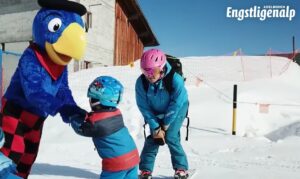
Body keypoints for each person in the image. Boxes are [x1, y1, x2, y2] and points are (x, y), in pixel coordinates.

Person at [70, 76, 140, 179]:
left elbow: (81, 128)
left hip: (117, 163)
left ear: (98, 101)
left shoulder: (97, 123)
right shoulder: (116, 113)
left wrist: (72, 117)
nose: (90, 101)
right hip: (133, 157)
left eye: (91, 98)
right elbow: (98, 118)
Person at [135, 49, 189, 179]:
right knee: (154, 138)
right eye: (144, 71)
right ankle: (145, 171)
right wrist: (156, 127)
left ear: (161, 68)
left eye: (152, 71)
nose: (149, 75)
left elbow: (176, 104)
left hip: (178, 108)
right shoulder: (141, 83)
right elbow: (144, 107)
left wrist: (164, 125)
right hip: (155, 110)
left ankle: (181, 169)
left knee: (170, 136)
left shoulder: (175, 80)